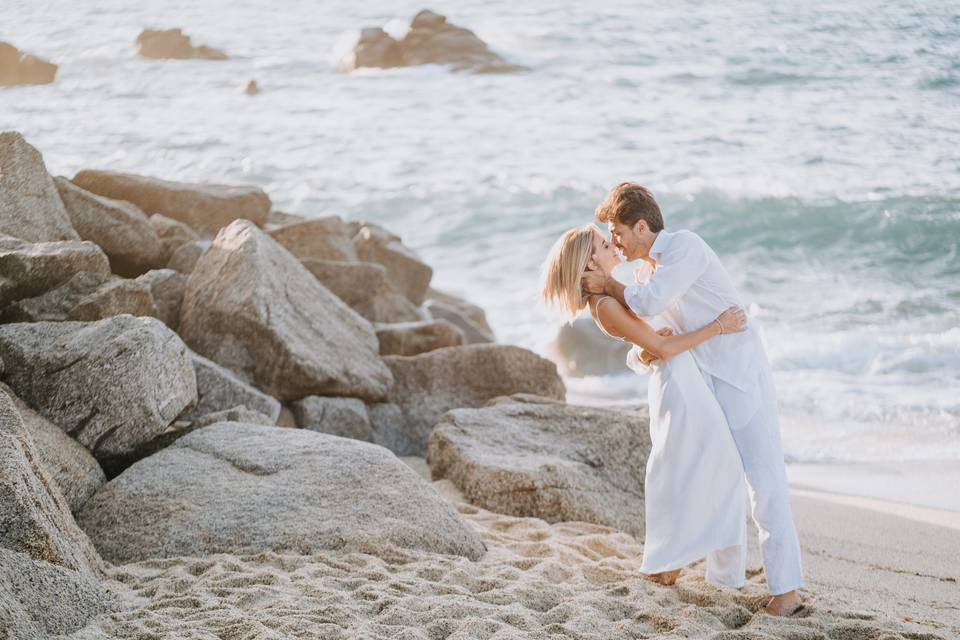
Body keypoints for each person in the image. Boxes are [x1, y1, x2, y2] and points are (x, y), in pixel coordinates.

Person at [581, 182, 805, 616]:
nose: (616, 242)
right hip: (706, 382)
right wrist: (642, 348)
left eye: (618, 232)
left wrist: (607, 282)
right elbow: (650, 329)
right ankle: (718, 575)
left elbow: (650, 301)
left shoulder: (685, 248)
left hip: (740, 378)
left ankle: (787, 592)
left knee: (764, 480)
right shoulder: (649, 270)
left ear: (641, 226)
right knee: (712, 472)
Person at [541, 224, 749, 587]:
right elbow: (664, 348)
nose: (613, 247)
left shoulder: (609, 299)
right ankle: (669, 563)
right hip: (679, 387)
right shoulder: (604, 305)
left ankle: (690, 565)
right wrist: (719, 325)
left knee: (697, 468)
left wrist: (645, 349)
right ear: (590, 261)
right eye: (605, 245)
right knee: (701, 469)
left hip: (682, 379)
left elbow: (651, 343)